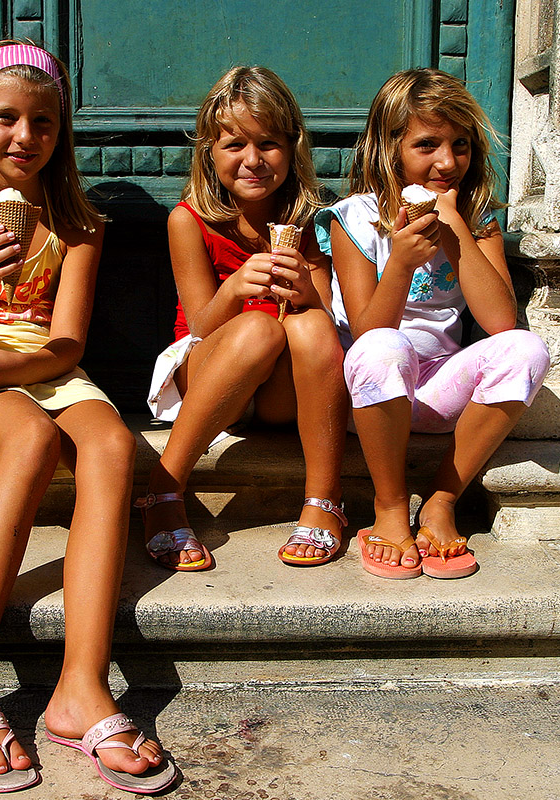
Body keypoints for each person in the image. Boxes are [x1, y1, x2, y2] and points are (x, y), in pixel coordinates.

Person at [0, 41, 176, 794]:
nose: (24, 137)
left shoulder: (78, 221)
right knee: (26, 437)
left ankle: (80, 688)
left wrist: (21, 369)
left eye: (43, 123)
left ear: (61, 133)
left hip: (45, 365)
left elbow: (66, 344)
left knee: (112, 446)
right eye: (6, 119)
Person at [314, 68, 550, 580]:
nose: (447, 162)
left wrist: (455, 229)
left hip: (441, 389)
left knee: (526, 349)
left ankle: (442, 500)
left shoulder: (474, 218)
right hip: (373, 395)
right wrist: (398, 262)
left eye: (460, 145)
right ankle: (391, 506)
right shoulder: (353, 217)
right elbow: (367, 331)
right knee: (383, 346)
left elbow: (499, 320)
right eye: (427, 145)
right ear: (389, 147)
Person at [141, 66, 349, 570]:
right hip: (212, 373)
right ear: (209, 152)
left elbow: (326, 330)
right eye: (233, 144)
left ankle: (325, 499)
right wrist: (234, 289)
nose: (252, 160)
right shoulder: (188, 220)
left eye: (268, 144)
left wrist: (308, 293)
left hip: (281, 395)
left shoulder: (310, 224)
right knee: (258, 327)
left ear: (293, 148)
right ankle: (164, 488)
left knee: (311, 324)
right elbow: (198, 327)